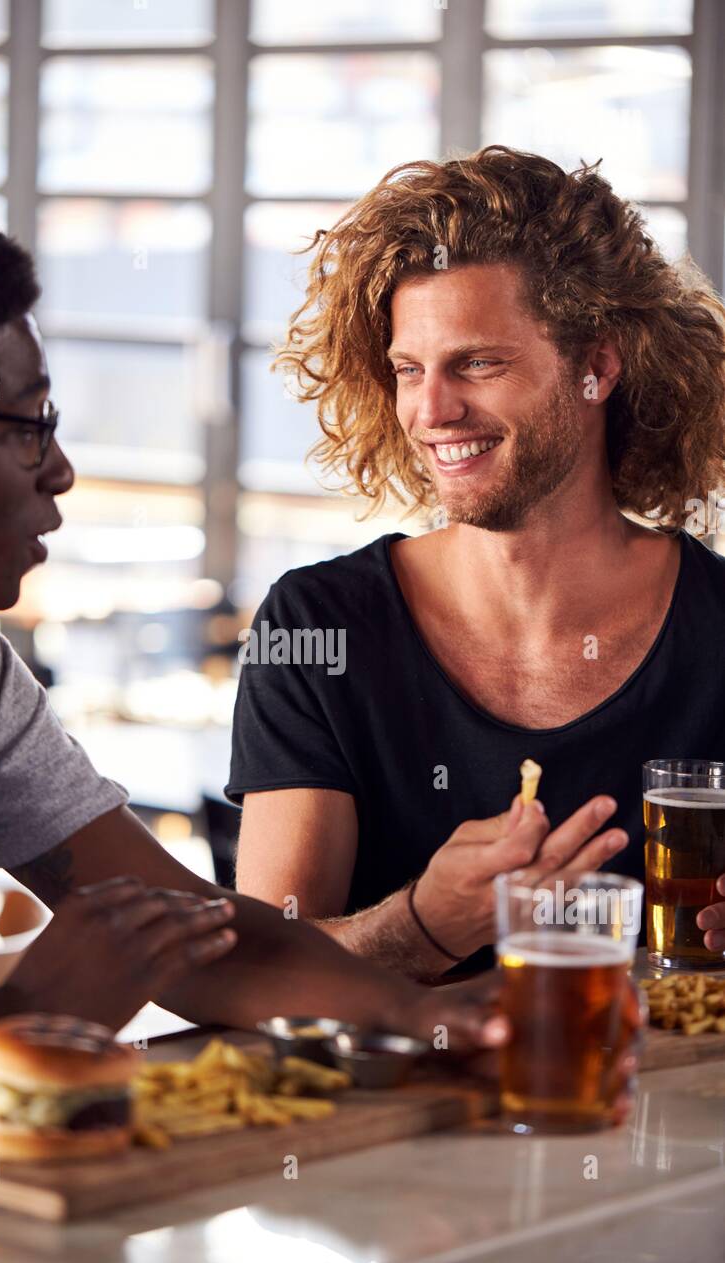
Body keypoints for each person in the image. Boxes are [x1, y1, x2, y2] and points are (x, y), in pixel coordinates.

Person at [0, 207, 577, 1098]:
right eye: (27, 424)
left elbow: (197, 936)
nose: (61, 468)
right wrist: (3, 1016)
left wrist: (414, 1013)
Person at [229, 146, 725, 983]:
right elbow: (265, 971)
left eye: (478, 363)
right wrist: (425, 925)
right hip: (405, 1115)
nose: (431, 411)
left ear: (597, 366)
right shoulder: (318, 626)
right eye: (409, 370)